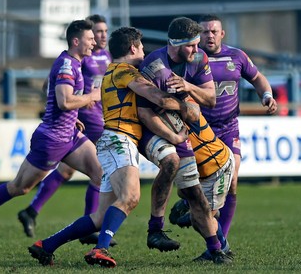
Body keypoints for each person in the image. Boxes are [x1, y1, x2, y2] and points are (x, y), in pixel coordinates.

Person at [28, 26, 189, 268]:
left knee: (100, 217)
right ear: (133, 48)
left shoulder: (111, 71)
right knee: (131, 196)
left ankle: (46, 245)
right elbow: (157, 98)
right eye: (142, 47)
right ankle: (100, 249)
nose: (144, 51)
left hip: (111, 141)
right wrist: (185, 104)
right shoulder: (125, 71)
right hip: (119, 140)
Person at [169, 14, 277, 243]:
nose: (209, 36)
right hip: (199, 130)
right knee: (191, 184)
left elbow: (258, 79)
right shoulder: (192, 57)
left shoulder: (236, 56)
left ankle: (221, 239)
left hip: (228, 128)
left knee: (232, 181)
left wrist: (266, 95)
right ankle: (191, 204)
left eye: (213, 31)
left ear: (222, 34)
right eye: (205, 32)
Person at [0, 20, 103, 220]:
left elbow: (49, 88)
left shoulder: (73, 62)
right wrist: (91, 97)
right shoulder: (67, 65)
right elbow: (64, 101)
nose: (94, 43)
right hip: (53, 139)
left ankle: (90, 229)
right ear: (76, 41)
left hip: (70, 136)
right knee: (19, 187)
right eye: (90, 39)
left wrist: (70, 118)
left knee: (100, 175)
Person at [138, 16, 232, 264]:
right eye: (190, 45)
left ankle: (216, 250)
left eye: (197, 43)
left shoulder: (199, 58)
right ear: (174, 43)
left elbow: (210, 99)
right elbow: (145, 111)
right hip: (152, 129)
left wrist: (187, 87)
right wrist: (172, 133)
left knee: (195, 193)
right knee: (171, 162)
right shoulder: (154, 65)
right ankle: (155, 228)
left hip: (181, 130)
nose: (196, 49)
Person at [17, 14, 116, 246]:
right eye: (96, 33)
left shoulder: (106, 56)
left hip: (92, 118)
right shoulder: (79, 60)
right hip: (89, 120)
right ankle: (91, 224)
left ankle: (32, 211)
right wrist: (66, 111)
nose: (100, 36)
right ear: (79, 39)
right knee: (103, 171)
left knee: (68, 171)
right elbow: (52, 88)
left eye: (103, 32)